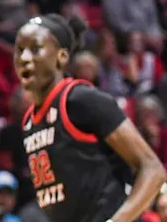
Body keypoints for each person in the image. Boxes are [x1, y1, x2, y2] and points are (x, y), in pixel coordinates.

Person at [14, 14, 166, 221]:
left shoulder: (80, 100)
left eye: (35, 48)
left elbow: (153, 169)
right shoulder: (29, 121)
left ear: (62, 57)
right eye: (19, 50)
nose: (24, 58)